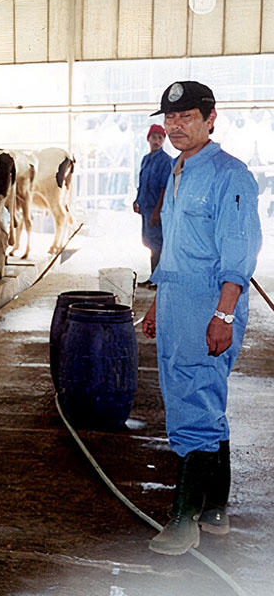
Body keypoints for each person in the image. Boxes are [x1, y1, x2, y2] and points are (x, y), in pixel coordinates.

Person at [142, 81, 262, 556]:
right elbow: (173, 246)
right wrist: (157, 301)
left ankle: (184, 519)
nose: (175, 126)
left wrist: (224, 315)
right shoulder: (177, 168)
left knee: (194, 402)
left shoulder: (230, 175)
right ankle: (215, 510)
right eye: (170, 118)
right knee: (201, 399)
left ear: (211, 119)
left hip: (210, 304)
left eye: (187, 117)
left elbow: (240, 251)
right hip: (176, 300)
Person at [134, 124, 173, 286]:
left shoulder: (166, 161)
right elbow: (142, 183)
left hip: (157, 208)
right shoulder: (145, 159)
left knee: (158, 243)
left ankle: (159, 279)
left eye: (160, 138)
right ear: (148, 138)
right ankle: (153, 277)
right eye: (153, 137)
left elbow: (164, 188)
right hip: (146, 207)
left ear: (164, 140)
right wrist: (137, 200)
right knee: (149, 242)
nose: (156, 141)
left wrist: (158, 212)